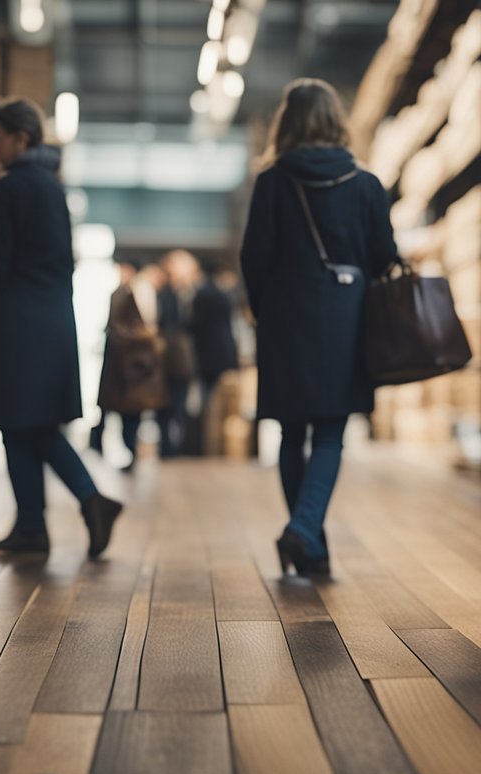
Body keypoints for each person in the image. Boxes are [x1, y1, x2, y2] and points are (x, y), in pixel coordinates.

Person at [240, 78, 398, 577]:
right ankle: (305, 532)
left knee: (291, 432)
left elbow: (253, 259)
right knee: (330, 432)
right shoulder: (365, 184)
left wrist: (267, 311)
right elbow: (385, 258)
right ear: (336, 121)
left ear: (288, 122)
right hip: (344, 319)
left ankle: (310, 541)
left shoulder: (271, 182)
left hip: (285, 319)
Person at [0, 97, 122, 558]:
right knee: (28, 424)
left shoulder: (11, 190)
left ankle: (84, 503)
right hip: (50, 321)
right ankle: (33, 524)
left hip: (15, 323)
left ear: (21, 138)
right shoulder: (53, 188)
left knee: (24, 424)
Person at [93, 262, 168, 471]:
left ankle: (126, 450)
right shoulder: (125, 294)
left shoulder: (132, 293)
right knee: (125, 411)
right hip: (128, 364)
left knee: (128, 412)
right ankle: (117, 448)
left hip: (130, 365)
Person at [188, 265, 240, 453]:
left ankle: (205, 445)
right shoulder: (223, 296)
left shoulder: (202, 295)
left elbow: (194, 324)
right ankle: (214, 446)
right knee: (217, 402)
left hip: (205, 355)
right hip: (223, 353)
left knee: (207, 402)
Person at [155, 250, 198, 457]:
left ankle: (178, 447)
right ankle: (169, 447)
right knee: (166, 405)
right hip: (168, 358)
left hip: (180, 359)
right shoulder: (164, 295)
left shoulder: (188, 294)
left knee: (178, 405)